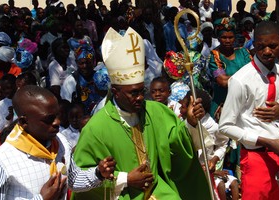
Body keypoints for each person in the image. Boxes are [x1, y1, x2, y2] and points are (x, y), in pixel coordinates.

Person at [71, 27, 211, 200]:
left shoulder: (156, 111)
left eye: (141, 91)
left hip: (159, 191)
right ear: (115, 91)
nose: (139, 98)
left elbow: (179, 150)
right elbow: (78, 180)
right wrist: (125, 179)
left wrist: (190, 123)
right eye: (133, 93)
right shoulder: (95, 129)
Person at [219, 21, 279, 200]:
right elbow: (225, 126)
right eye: (261, 46)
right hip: (256, 158)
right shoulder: (240, 81)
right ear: (253, 45)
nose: (267, 51)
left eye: (272, 46)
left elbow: (278, 108)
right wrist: (266, 141)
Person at [0, 85, 116, 199]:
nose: (57, 122)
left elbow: (73, 179)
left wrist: (98, 174)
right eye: (49, 119)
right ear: (23, 122)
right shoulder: (2, 160)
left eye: (57, 115)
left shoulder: (61, 141)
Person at [208, 17, 252, 119]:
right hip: (223, 105)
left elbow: (254, 75)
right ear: (218, 38)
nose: (228, 40)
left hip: (244, 104)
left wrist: (231, 78)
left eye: (231, 37)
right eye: (224, 37)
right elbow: (222, 81)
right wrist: (245, 77)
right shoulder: (215, 56)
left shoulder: (244, 52)